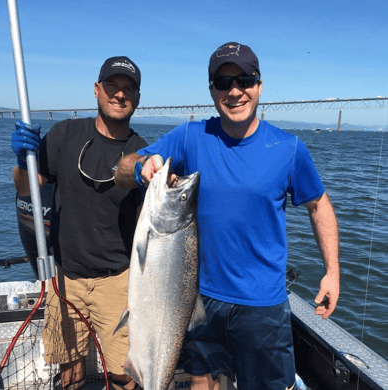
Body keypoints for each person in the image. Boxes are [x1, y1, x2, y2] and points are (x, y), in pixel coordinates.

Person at [114, 42, 340, 390]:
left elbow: (318, 205)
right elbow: (122, 169)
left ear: (259, 85)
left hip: (262, 305)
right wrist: (144, 164)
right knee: (202, 382)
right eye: (223, 83)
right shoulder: (190, 136)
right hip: (196, 297)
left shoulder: (290, 148)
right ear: (212, 91)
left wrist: (333, 272)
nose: (234, 91)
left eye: (244, 80)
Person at [11, 56, 147, 390]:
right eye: (112, 86)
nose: (119, 94)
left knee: (124, 374)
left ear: (138, 99)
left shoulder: (142, 152)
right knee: (69, 372)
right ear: (97, 90)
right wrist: (21, 159)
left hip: (118, 280)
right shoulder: (64, 134)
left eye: (128, 88)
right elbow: (26, 186)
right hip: (65, 276)